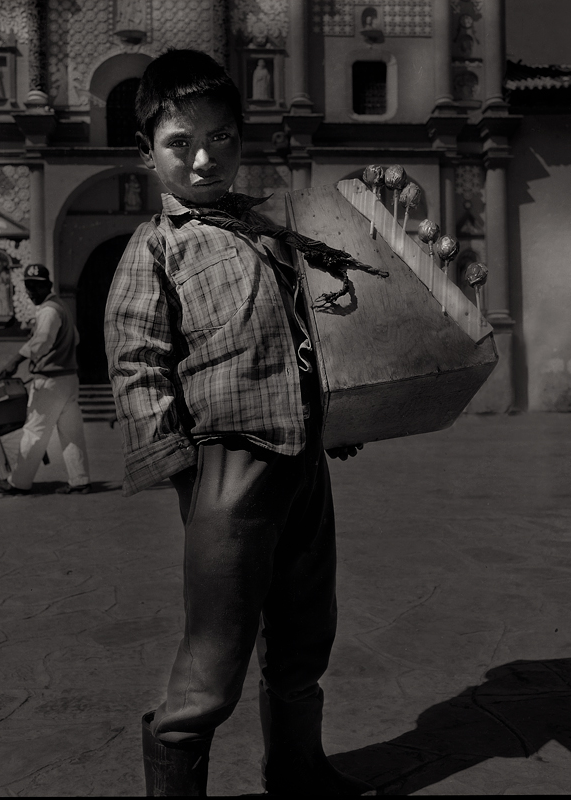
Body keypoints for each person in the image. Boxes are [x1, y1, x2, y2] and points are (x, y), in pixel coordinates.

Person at [104, 49, 370, 796]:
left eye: (220, 138)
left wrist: (334, 413)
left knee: (304, 634)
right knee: (214, 659)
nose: (201, 159)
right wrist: (183, 471)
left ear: (240, 140)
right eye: (179, 143)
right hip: (227, 468)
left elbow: (311, 331)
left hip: (302, 462)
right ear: (147, 153)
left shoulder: (271, 232)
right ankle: (177, 772)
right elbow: (136, 360)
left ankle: (298, 772)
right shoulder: (156, 248)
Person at [0, 264, 92, 495]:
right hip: (68, 378)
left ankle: (18, 482)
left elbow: (44, 339)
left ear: (48, 285)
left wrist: (16, 360)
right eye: (28, 287)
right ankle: (80, 480)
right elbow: (74, 338)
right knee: (71, 432)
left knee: (34, 431)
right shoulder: (61, 307)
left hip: (50, 380)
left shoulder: (48, 310)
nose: (31, 292)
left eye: (36, 286)